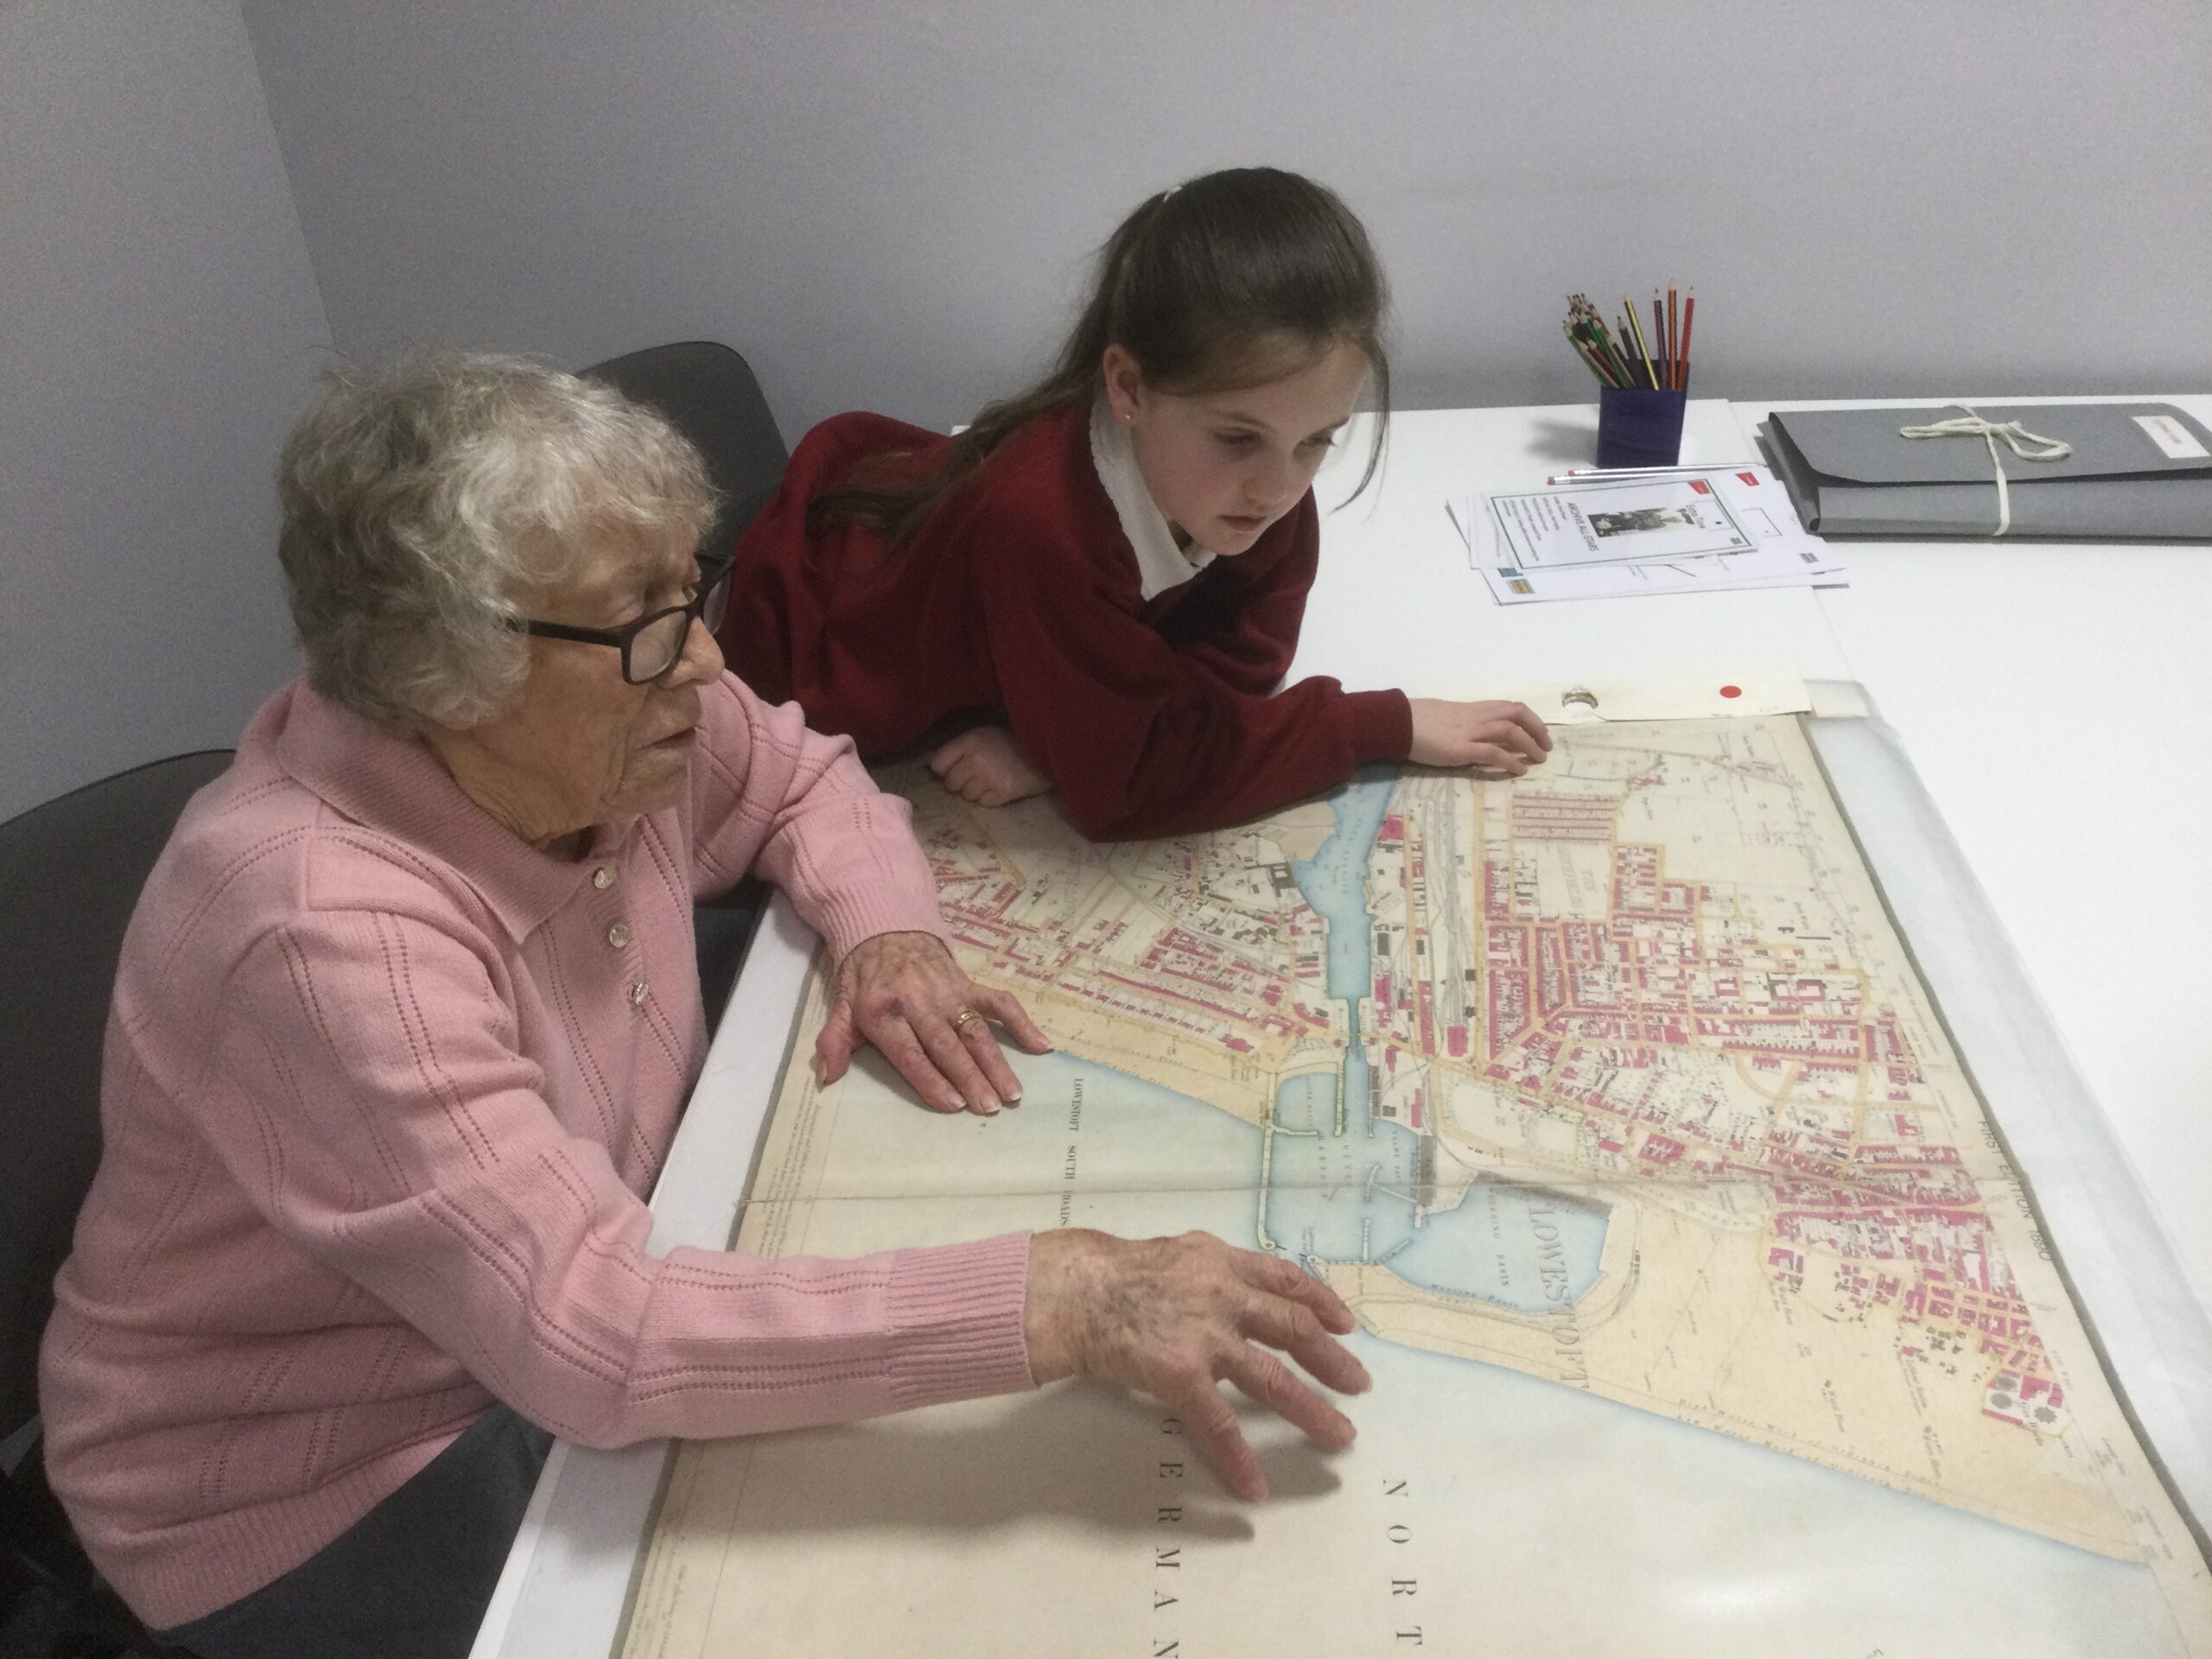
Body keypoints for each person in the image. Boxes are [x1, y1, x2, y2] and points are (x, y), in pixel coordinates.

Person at [37, 353, 1371, 1659]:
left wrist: (890, 934)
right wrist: (1068, 1295)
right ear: (452, 663)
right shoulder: (317, 926)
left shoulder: (608, 708)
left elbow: (803, 781)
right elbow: (599, 1333)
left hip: (548, 1310)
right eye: (648, 620)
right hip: (321, 1481)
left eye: (689, 592)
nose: (705, 661)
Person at [717, 167, 1552, 841]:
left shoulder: (1251, 483)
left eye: (1317, 441)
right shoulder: (1043, 526)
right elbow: (1132, 789)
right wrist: (1388, 725)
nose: (1278, 488)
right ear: (1128, 388)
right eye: (1238, 438)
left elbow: (1239, 669)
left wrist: (1073, 737)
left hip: (969, 599)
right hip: (789, 655)